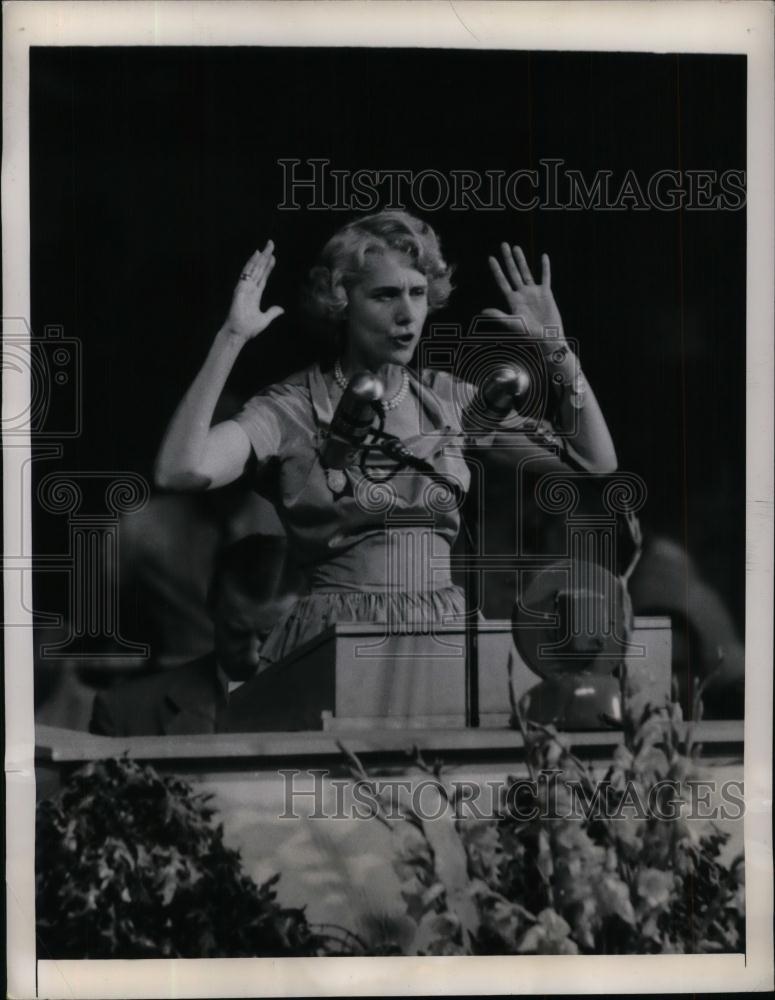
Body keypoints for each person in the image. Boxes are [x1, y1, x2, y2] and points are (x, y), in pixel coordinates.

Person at [154, 210, 617, 673]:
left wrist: (556, 348)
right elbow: (178, 470)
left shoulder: (448, 400)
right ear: (341, 301)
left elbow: (594, 461)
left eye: (417, 293)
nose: (406, 314)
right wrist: (231, 338)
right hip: (336, 636)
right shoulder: (291, 409)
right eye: (385, 295)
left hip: (445, 628)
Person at [89, 535, 299, 736]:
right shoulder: (124, 715)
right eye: (237, 633)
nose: (252, 657)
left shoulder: (331, 700)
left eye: (271, 637)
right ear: (210, 607)